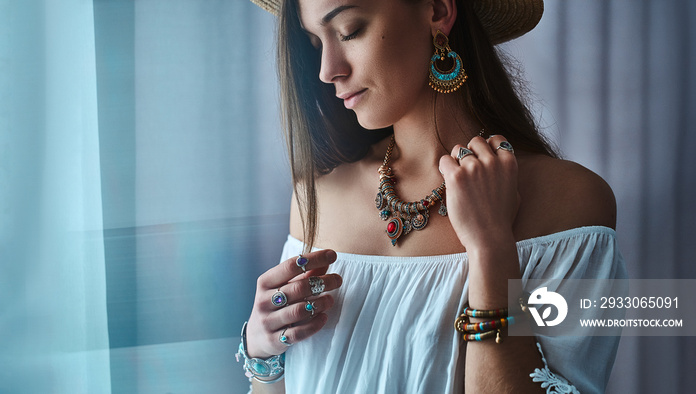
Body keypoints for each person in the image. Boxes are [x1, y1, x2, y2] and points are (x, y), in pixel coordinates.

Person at [237, 0, 627, 393]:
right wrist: (264, 354)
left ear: (438, 11)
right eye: (316, 44)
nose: (327, 71)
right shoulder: (317, 198)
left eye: (349, 30)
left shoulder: (570, 204)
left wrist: (491, 249)